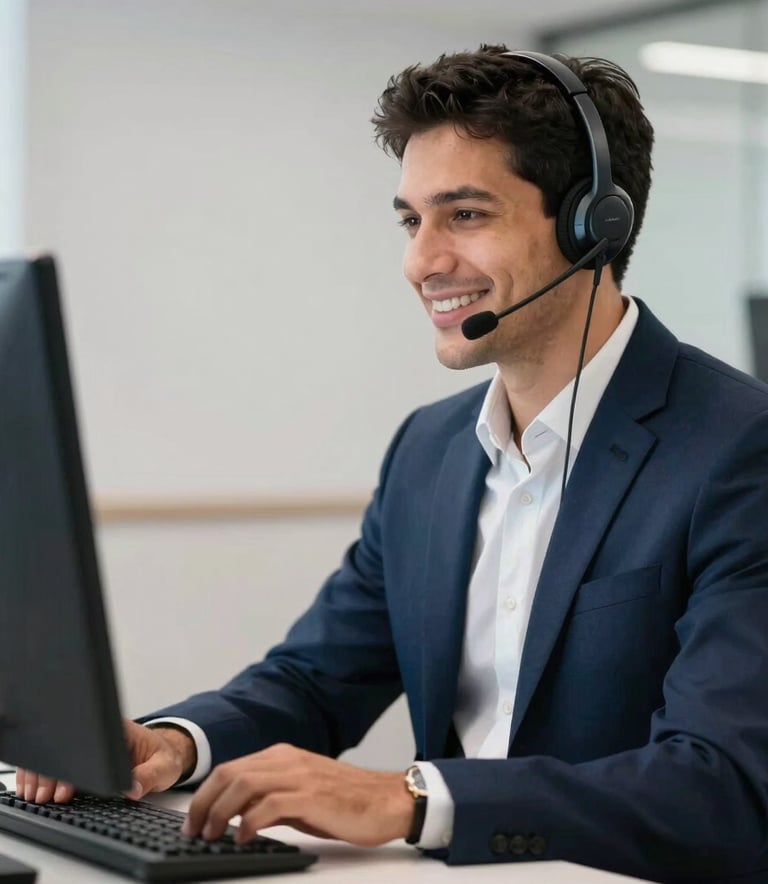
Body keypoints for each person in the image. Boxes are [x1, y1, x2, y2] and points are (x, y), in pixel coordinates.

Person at [17, 45, 768, 882]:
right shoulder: (431, 450)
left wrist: (411, 800)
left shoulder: (739, 450)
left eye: (467, 215)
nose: (422, 262)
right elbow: (314, 681)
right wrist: (171, 745)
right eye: (413, 220)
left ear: (594, 223)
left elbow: (723, 787)